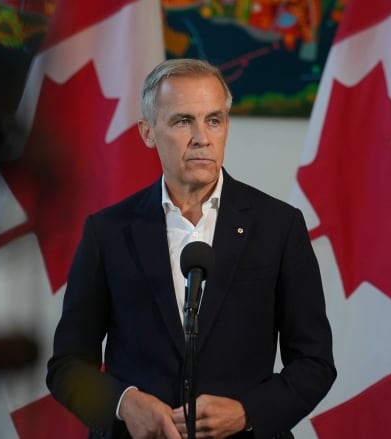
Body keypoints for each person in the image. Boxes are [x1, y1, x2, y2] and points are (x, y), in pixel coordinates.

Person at [47, 58, 336, 439]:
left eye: (213, 120)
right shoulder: (108, 231)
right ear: (148, 133)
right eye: (183, 121)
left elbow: (315, 362)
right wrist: (123, 403)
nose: (202, 137)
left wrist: (248, 411)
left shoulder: (279, 226)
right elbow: (67, 364)